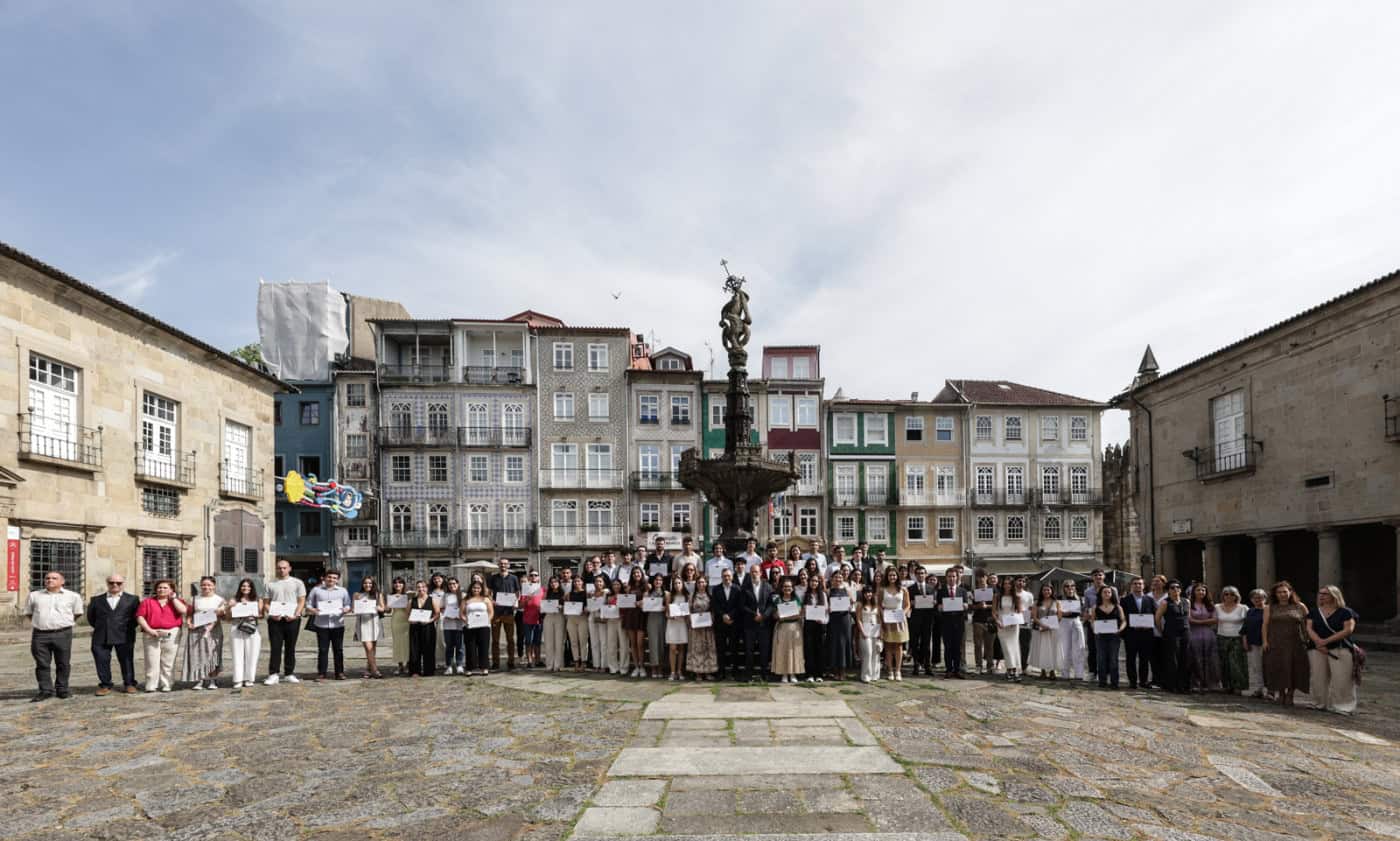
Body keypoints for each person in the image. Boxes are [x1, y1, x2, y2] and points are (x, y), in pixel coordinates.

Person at [25, 571, 86, 701]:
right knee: (42, 664)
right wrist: (41, 622)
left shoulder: (73, 596)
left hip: (63, 633)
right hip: (40, 635)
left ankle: (62, 689)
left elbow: (77, 613)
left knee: (63, 663)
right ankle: (45, 690)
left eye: (54, 578)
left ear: (62, 581)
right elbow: (29, 613)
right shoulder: (34, 595)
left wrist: (63, 623)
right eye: (47, 578)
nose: (50, 580)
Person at [1306, 585, 1358, 715]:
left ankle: (1343, 706)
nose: (1321, 596)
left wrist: (1325, 641)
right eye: (1320, 593)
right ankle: (1318, 703)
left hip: (1340, 648)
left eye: (1325, 594)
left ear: (1334, 596)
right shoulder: (1314, 612)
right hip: (1316, 648)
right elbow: (1309, 628)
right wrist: (1318, 642)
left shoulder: (1346, 612)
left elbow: (1348, 630)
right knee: (1317, 677)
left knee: (1342, 678)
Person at [87, 573, 140, 696]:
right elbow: (91, 618)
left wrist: (125, 628)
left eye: (118, 583)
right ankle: (105, 685)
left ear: (123, 584)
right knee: (101, 660)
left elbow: (136, 618)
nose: (115, 585)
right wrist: (103, 627)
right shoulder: (96, 600)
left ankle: (129, 683)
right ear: (107, 583)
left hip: (124, 634)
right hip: (101, 635)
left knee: (127, 660)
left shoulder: (133, 599)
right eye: (111, 582)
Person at [1262, 580, 1310, 707]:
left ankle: (1290, 694)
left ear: (1290, 592)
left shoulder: (1300, 606)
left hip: (1296, 642)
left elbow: (1308, 624)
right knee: (1278, 667)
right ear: (1275, 594)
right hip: (1275, 642)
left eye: (1285, 591)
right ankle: (1281, 693)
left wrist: (1308, 639)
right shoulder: (1269, 607)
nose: (1282, 594)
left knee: (1294, 668)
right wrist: (1265, 641)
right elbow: (1265, 625)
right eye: (1279, 592)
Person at [136, 578, 185, 693]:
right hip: (151, 633)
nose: (161, 590)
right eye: (159, 587)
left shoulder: (177, 601)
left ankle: (166, 683)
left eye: (165, 588)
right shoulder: (147, 602)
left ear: (171, 590)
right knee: (151, 660)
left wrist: (173, 599)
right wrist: (149, 630)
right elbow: (140, 617)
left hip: (171, 633)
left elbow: (184, 611)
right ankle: (151, 684)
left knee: (168, 661)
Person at [263, 558, 307, 685]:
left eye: (284, 568)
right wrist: (272, 613)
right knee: (275, 647)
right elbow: (266, 603)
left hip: (292, 619)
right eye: (279, 568)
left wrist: (296, 614)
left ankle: (289, 673)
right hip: (275, 620)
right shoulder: (270, 584)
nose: (281, 570)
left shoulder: (297, 583)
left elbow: (301, 601)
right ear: (276, 569)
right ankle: (273, 674)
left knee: (290, 647)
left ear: (289, 569)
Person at [308, 570, 350, 681]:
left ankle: (339, 673)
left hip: (338, 624)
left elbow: (347, 604)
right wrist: (314, 610)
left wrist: (345, 609)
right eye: (329, 577)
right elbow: (309, 604)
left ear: (338, 580)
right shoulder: (316, 590)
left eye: (334, 578)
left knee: (338, 650)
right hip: (321, 625)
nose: (331, 579)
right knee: (322, 650)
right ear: (325, 578)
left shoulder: (343, 591)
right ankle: (321, 673)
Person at [738, 562, 774, 681]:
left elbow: (771, 605)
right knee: (749, 650)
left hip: (764, 624)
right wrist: (754, 615)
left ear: (761, 573)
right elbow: (742, 605)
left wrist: (763, 616)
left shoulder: (768, 587)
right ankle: (749, 675)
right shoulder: (745, 587)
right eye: (752, 572)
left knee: (764, 650)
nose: (754, 574)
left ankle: (764, 674)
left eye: (756, 572)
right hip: (750, 624)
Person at [226, 578, 263, 689]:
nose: (245, 588)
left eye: (248, 586)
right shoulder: (234, 599)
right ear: (240, 587)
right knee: (237, 654)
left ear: (252, 588)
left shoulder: (257, 600)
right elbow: (228, 618)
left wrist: (255, 613)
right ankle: (238, 679)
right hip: (236, 628)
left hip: (251, 628)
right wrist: (229, 607)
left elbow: (261, 615)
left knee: (252, 654)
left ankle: (249, 678)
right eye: (243, 586)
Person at [1120, 577, 1156, 690]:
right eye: (1135, 584)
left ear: (1143, 586)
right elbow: (1122, 617)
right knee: (1131, 658)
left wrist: (1149, 624)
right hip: (1131, 633)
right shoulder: (1125, 600)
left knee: (1144, 658)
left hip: (1146, 633)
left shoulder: (1150, 600)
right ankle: (1132, 681)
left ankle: (1143, 681)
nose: (1137, 586)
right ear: (1131, 586)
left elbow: (1154, 614)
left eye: (1140, 584)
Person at [1155, 580, 1190, 693]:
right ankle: (1172, 684)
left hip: (1185, 632)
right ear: (1168, 590)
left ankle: (1183, 684)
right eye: (1172, 587)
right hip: (1171, 632)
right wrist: (1162, 631)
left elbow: (1188, 617)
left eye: (1177, 587)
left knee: (1185, 658)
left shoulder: (1186, 601)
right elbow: (1157, 618)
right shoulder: (1165, 603)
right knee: (1172, 659)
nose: (1175, 589)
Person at [1186, 584, 1221, 693]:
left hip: (1208, 635)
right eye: (1198, 590)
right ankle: (1196, 683)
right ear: (1194, 592)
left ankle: (1211, 683)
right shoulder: (1189, 604)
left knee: (1210, 659)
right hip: (1194, 634)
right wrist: (1204, 622)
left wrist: (1198, 622)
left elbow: (1215, 619)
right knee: (1195, 658)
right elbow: (1188, 619)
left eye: (1203, 590)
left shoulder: (1210, 605)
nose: (1201, 592)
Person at [770, 577, 805, 683]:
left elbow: (799, 614)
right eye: (785, 586)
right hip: (782, 628)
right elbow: (775, 615)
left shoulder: (796, 599)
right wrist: (781, 616)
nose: (787, 588)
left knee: (794, 651)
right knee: (782, 651)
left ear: (792, 588)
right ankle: (784, 674)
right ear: (782, 588)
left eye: (789, 586)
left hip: (794, 628)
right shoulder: (778, 600)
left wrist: (785, 616)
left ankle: (793, 674)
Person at [488, 559, 521, 671]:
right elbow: (489, 593)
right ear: (498, 565)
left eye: (505, 564)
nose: (503, 565)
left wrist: (515, 602)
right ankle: (495, 663)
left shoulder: (514, 578)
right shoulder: (493, 578)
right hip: (496, 613)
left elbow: (517, 593)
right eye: (501, 563)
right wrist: (491, 601)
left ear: (508, 565)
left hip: (509, 612)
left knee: (510, 639)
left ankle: (511, 662)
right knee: (495, 640)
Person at [1215, 586, 1249, 694]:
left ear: (1236, 596)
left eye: (1232, 594)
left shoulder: (1243, 608)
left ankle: (1238, 686)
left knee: (1236, 663)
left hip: (1237, 638)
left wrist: (1245, 639)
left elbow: (1248, 625)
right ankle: (1226, 685)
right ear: (1223, 596)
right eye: (1226, 594)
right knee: (1224, 663)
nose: (1229, 596)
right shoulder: (1217, 607)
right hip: (1221, 637)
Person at [879, 567, 910, 681]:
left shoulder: (903, 590)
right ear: (887, 577)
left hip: (899, 619)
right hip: (887, 619)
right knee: (888, 645)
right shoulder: (882, 590)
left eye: (894, 575)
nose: (892, 577)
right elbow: (879, 605)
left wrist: (902, 613)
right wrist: (883, 615)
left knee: (898, 645)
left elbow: (907, 605)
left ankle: (898, 670)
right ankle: (890, 670)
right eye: (890, 575)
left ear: (897, 576)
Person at [936, 568, 969, 678]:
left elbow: (966, 605)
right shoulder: (941, 591)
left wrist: (965, 606)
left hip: (959, 623)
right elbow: (938, 606)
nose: (951, 578)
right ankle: (949, 669)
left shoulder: (962, 591)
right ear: (946, 578)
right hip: (946, 623)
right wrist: (939, 607)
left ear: (957, 577)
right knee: (948, 647)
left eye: (953, 576)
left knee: (958, 647)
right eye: (949, 576)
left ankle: (957, 669)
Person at [710, 568, 742, 680]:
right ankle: (721, 672)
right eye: (724, 576)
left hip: (734, 623)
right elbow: (714, 605)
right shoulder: (716, 589)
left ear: (732, 577)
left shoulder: (737, 589)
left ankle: (735, 672)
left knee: (734, 648)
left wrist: (730, 616)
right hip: (720, 623)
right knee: (721, 649)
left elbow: (739, 605)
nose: (726, 578)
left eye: (728, 576)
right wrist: (723, 615)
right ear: (721, 577)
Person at [1092, 585, 1126, 689]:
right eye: (1104, 592)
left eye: (1109, 592)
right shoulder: (1095, 607)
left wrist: (1120, 629)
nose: (1107, 594)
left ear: (1112, 594)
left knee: (1113, 659)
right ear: (1101, 594)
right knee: (1101, 659)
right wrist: (1094, 629)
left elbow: (1124, 621)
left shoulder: (1118, 607)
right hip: (1100, 636)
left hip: (1114, 636)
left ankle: (1114, 682)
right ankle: (1102, 681)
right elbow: (1092, 621)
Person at [688, 573, 720, 681]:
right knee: (697, 649)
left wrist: (712, 620)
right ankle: (698, 673)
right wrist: (691, 620)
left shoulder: (710, 596)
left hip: (707, 627)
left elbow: (713, 610)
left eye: (703, 582)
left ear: (706, 583)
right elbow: (688, 610)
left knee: (708, 649)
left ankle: (708, 672)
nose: (701, 584)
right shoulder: (692, 597)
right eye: (699, 582)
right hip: (696, 627)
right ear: (696, 584)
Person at [906, 567, 937, 676]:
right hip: (915, 619)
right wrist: (911, 603)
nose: (920, 575)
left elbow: (935, 603)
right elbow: (907, 604)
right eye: (918, 573)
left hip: (927, 620)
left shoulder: (931, 588)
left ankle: (927, 666)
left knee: (926, 643)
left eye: (922, 573)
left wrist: (934, 602)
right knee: (915, 643)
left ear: (925, 574)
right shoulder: (910, 589)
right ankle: (916, 665)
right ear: (915, 575)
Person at [1056, 579, 1088, 681]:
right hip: (1064, 622)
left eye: (1072, 586)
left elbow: (1084, 612)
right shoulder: (1059, 598)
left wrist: (1084, 617)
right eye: (1067, 586)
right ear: (1064, 588)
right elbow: (1056, 613)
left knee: (1079, 647)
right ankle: (1065, 673)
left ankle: (1079, 674)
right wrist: (1062, 613)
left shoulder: (1079, 598)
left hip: (1076, 621)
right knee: (1065, 648)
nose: (1070, 588)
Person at [825, 570, 855, 681]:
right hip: (833, 620)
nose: (838, 579)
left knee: (844, 643)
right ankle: (835, 670)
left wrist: (850, 605)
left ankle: (843, 670)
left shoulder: (847, 590)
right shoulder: (828, 591)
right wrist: (828, 609)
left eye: (840, 577)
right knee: (834, 643)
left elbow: (852, 604)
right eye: (836, 577)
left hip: (844, 620)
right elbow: (825, 606)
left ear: (843, 579)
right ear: (832, 579)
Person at [407, 580, 440, 677]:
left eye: (423, 587)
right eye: (418, 587)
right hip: (415, 628)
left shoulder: (432, 600)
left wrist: (430, 620)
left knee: (429, 648)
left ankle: (428, 670)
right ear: (416, 589)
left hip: (428, 628)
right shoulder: (411, 600)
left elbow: (437, 614)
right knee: (414, 649)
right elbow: (407, 614)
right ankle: (415, 671)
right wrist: (410, 620)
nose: (421, 589)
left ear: (427, 588)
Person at [1029, 582, 1060, 679]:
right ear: (1041, 591)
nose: (1046, 591)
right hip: (1041, 629)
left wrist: (1051, 625)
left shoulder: (1057, 602)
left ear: (1052, 591)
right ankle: (1042, 671)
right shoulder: (1036, 603)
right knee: (1041, 650)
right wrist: (1043, 625)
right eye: (1044, 590)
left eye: (1048, 590)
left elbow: (1059, 616)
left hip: (1053, 630)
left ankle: (1052, 671)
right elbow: (1034, 617)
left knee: (1053, 650)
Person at [463, 579, 494, 675]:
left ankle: (484, 667)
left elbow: (491, 612)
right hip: (469, 627)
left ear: (481, 589)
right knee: (470, 647)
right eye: (474, 588)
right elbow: (462, 614)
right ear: (471, 588)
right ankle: (469, 668)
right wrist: (466, 621)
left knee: (484, 647)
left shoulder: (486, 599)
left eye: (478, 588)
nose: (476, 589)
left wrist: (487, 620)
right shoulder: (466, 599)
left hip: (484, 626)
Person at [995, 577, 1023, 682]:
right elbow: (993, 612)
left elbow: (1020, 611)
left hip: (1013, 626)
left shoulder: (1017, 597)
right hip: (1001, 625)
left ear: (1012, 585)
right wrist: (997, 621)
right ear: (1002, 585)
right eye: (1005, 583)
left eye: (1009, 584)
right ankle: (1009, 669)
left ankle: (1014, 670)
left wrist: (1014, 621)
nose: (1007, 585)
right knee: (1006, 648)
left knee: (1014, 648)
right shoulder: (997, 596)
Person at [801, 573, 827, 682]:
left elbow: (826, 610)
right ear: (809, 582)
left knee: (819, 650)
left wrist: (823, 619)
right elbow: (802, 612)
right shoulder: (805, 595)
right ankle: (810, 674)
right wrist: (804, 609)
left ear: (819, 583)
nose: (814, 583)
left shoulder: (823, 595)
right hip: (809, 625)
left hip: (820, 625)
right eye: (812, 581)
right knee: (809, 650)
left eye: (816, 581)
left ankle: (819, 674)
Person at [1243, 589, 1269, 698]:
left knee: (1268, 667)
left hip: (1266, 643)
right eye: (1255, 598)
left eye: (1260, 597)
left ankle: (1270, 691)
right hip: (1253, 642)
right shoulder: (1250, 611)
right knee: (1256, 667)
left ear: (1265, 599)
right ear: (1251, 600)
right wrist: (1245, 641)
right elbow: (1245, 627)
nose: (1257, 600)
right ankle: (1258, 689)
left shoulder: (1268, 610)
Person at [665, 575, 690, 681]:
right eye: (675, 583)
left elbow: (688, 612)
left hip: (682, 623)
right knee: (673, 648)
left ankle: (679, 671)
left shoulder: (687, 596)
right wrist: (670, 616)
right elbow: (666, 613)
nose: (677, 585)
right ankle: (672, 672)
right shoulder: (669, 596)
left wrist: (686, 615)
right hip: (672, 624)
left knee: (681, 648)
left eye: (679, 583)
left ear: (682, 584)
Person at [1082, 568, 1106, 677]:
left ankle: (1106, 672)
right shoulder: (1087, 591)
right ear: (1092, 577)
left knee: (1105, 648)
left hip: (1106, 622)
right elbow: (1086, 607)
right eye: (1095, 575)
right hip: (1092, 622)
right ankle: (1092, 671)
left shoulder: (1111, 589)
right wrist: (1086, 614)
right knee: (1092, 648)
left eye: (1100, 575)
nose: (1098, 577)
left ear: (1104, 576)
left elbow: (1116, 604)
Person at [970, 571, 995, 675]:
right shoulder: (973, 591)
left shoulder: (993, 590)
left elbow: (997, 605)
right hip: (977, 621)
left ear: (986, 577)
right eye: (979, 577)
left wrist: (987, 606)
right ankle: (978, 666)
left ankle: (990, 666)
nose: (981, 579)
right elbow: (970, 606)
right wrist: (978, 606)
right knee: (978, 645)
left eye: (983, 577)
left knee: (989, 645)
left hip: (990, 621)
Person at [439, 577, 466, 675]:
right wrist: (447, 613)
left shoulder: (463, 595)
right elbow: (441, 608)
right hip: (448, 624)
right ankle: (449, 666)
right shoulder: (445, 595)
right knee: (449, 646)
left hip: (460, 624)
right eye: (450, 584)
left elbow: (466, 608)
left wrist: (460, 615)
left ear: (458, 584)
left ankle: (459, 665)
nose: (452, 585)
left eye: (454, 583)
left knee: (460, 646)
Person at [855, 585, 882, 682]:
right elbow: (858, 619)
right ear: (863, 594)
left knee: (875, 653)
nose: (868, 594)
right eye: (866, 592)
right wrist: (862, 631)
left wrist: (880, 632)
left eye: (870, 592)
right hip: (865, 631)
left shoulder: (876, 605)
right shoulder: (860, 605)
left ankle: (874, 675)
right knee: (868, 653)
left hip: (875, 630)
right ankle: (866, 675)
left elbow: (879, 619)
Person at [541, 576, 567, 672]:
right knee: (548, 642)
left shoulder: (563, 594)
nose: (553, 584)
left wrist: (562, 607)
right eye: (551, 582)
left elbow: (567, 606)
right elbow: (542, 605)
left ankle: (558, 665)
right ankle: (549, 664)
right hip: (548, 616)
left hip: (559, 616)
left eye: (555, 582)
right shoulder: (546, 593)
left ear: (559, 583)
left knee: (559, 641)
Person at [565, 576, 591, 674]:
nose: (576, 583)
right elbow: (566, 605)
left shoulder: (587, 593)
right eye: (575, 581)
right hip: (571, 619)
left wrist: (586, 610)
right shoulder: (568, 594)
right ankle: (576, 662)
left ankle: (583, 662)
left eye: (579, 581)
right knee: (573, 642)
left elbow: (589, 606)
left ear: (582, 582)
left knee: (583, 641)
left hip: (582, 618)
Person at [603, 576, 628, 675]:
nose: (616, 586)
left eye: (618, 584)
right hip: (611, 621)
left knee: (624, 645)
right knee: (611, 644)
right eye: (614, 584)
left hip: (622, 620)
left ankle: (623, 668)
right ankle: (613, 667)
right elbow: (605, 608)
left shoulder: (624, 595)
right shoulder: (609, 596)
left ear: (621, 585)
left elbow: (628, 607)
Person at [520, 570, 544, 669]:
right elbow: (520, 605)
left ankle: (538, 660)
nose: (533, 576)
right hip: (527, 619)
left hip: (539, 619)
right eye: (531, 575)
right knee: (528, 641)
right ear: (529, 577)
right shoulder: (525, 589)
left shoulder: (543, 589)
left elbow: (547, 602)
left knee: (537, 641)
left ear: (539, 577)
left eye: (536, 575)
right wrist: (526, 599)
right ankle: (529, 661)